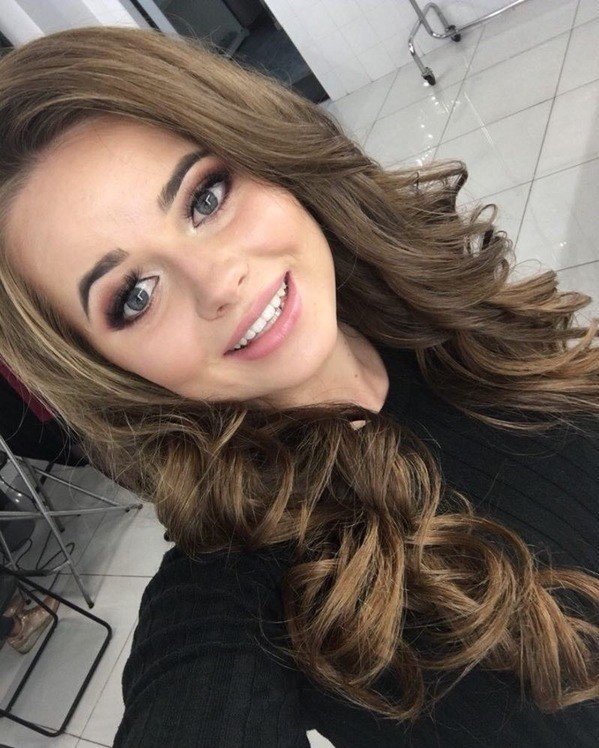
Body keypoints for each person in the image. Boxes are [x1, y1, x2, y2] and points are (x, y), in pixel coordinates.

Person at [0, 24, 597, 748]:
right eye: (134, 295)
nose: (219, 281)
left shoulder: (438, 313)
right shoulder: (242, 590)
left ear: (265, 153)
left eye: (205, 197)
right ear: (101, 368)